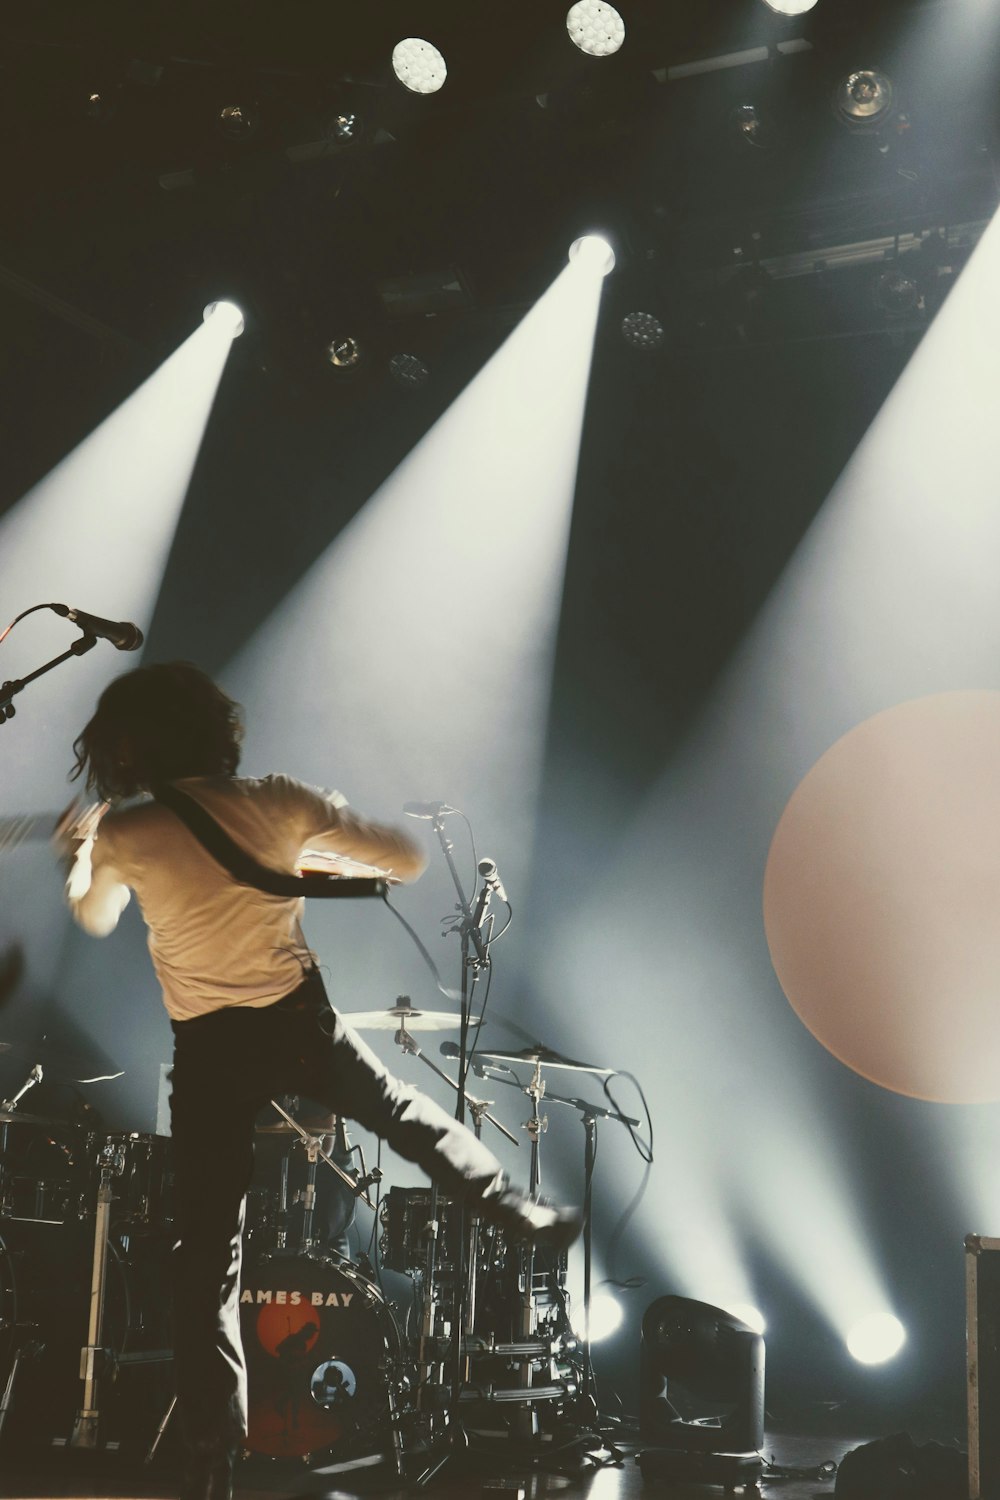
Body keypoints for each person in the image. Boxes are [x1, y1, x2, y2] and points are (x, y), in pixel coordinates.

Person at [58, 662, 580, 1500]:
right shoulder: (280, 801)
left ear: (129, 748)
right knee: (402, 1113)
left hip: (209, 1051)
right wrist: (317, 834)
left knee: (208, 1262)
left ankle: (211, 1455)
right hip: (297, 1025)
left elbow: (93, 916)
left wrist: (80, 858)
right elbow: (405, 860)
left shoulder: (129, 830)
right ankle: (512, 1208)